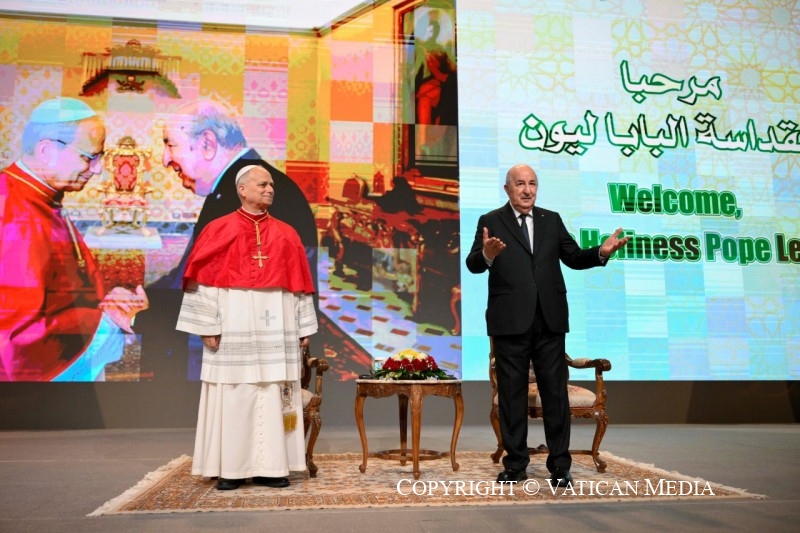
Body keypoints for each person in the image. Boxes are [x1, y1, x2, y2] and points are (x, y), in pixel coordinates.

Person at [465, 163, 629, 487]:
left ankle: (560, 465)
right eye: (520, 184)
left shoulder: (551, 219)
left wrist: (601, 252)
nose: (527, 190)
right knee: (511, 395)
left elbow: (574, 257)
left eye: (533, 184)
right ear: (507, 189)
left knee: (555, 394)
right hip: (510, 321)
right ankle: (515, 465)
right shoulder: (491, 221)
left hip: (550, 319)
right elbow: (473, 265)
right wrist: (485, 254)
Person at [132, 99, 318, 380]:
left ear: (207, 143)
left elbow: (225, 287)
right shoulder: (232, 188)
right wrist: (148, 298)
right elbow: (198, 269)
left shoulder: (243, 195)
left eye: (170, 144)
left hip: (251, 359)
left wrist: (141, 315)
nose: (164, 159)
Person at [176, 164, 317, 490]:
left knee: (271, 393)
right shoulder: (218, 229)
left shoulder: (287, 233)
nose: (270, 189)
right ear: (243, 189)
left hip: (276, 328)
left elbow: (299, 286)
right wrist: (206, 325)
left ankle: (273, 467)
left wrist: (303, 325)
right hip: (233, 324)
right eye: (262, 184)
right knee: (235, 394)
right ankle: (232, 469)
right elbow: (203, 283)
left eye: (271, 185)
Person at [0, 97, 148, 381]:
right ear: (46, 150)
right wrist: (107, 319)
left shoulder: (38, 195)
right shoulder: (13, 211)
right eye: (90, 156)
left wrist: (104, 299)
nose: (98, 169)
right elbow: (18, 336)